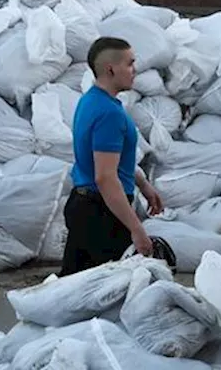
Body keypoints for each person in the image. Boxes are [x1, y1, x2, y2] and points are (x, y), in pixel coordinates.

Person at [63, 37, 166, 275]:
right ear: (111, 69)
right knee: (115, 292)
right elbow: (106, 178)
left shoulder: (92, 100)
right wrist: (136, 228)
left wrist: (143, 184)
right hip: (102, 216)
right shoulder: (109, 114)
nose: (135, 70)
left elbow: (114, 162)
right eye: (130, 64)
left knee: (74, 287)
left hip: (85, 206)